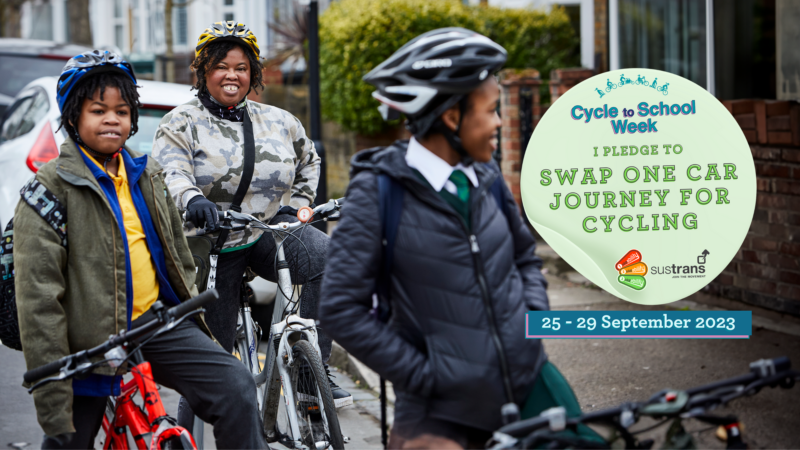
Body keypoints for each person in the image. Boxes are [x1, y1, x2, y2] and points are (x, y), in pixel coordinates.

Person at [319, 28, 602, 449]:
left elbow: (525, 257)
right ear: (452, 117)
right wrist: (429, 376)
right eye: (490, 110)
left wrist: (530, 325)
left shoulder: (486, 176)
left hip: (531, 384)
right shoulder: (379, 192)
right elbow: (341, 309)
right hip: (443, 412)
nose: (500, 123)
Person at [14, 50, 267, 449]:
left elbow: (177, 253)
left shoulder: (146, 174)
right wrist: (51, 384)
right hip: (89, 342)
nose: (112, 119)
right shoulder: (49, 189)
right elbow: (38, 298)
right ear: (73, 118)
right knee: (67, 439)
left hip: (155, 324)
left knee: (236, 387)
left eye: (122, 110)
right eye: (98, 110)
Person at [151, 21, 352, 407]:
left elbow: (309, 160)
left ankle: (311, 372)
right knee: (214, 367)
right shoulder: (181, 121)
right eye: (221, 65)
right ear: (203, 70)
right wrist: (192, 199)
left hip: (264, 232)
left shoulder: (278, 121)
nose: (232, 75)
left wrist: (297, 204)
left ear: (253, 73)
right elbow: (169, 171)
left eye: (241, 67)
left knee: (329, 258)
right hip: (210, 244)